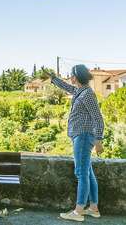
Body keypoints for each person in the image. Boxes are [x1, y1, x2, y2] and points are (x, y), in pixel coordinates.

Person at [46, 65, 104, 222]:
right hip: (81, 136)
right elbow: (68, 88)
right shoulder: (81, 91)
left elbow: (98, 118)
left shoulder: (87, 95)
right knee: (88, 172)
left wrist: (99, 140)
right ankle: (93, 208)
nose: (70, 77)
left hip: (84, 137)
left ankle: (78, 212)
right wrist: (54, 79)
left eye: (71, 75)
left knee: (81, 173)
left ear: (75, 77)